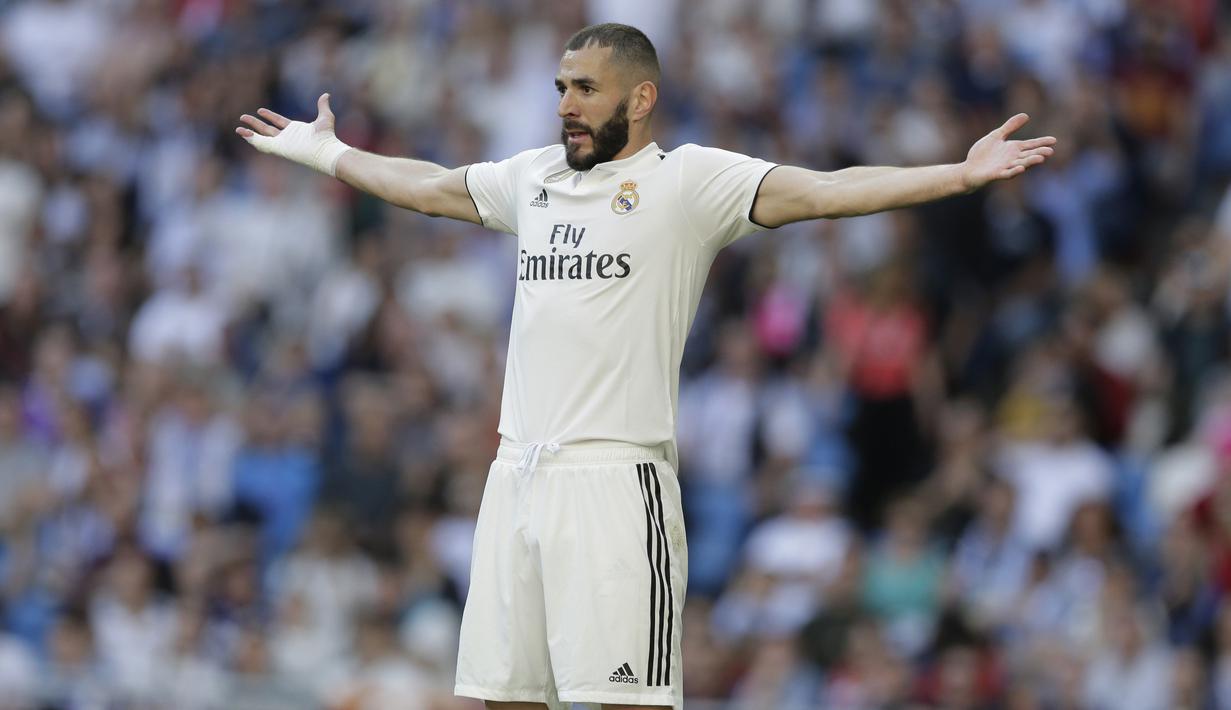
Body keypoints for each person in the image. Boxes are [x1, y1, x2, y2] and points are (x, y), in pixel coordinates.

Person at [236, 22, 1055, 710]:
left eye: (585, 88)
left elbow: (821, 190)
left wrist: (956, 173)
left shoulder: (688, 181)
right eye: (561, 86)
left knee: (627, 701)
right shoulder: (535, 178)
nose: (565, 105)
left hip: (617, 481)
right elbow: (430, 187)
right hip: (516, 473)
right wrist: (331, 155)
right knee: (504, 699)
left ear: (640, 98)